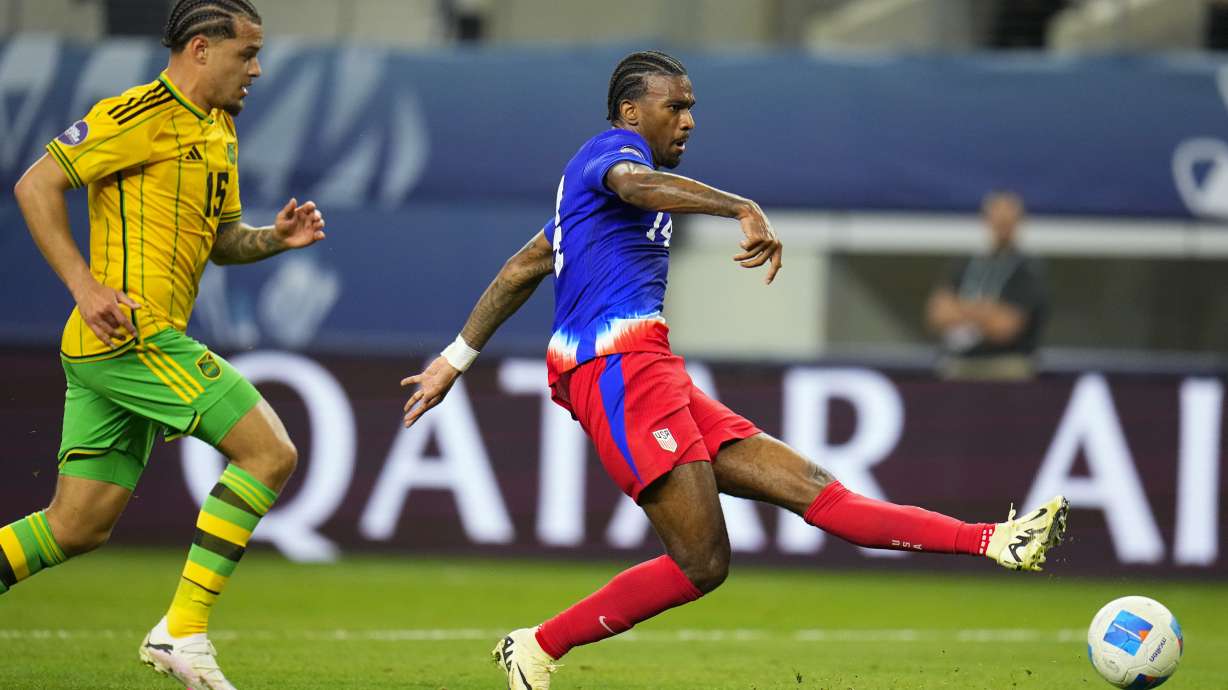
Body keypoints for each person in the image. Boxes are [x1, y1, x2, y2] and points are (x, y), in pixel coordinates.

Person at [400, 51, 1069, 689]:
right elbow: (633, 184)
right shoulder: (611, 157)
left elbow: (522, 268)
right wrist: (740, 207)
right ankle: (539, 646)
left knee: (816, 489)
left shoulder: (592, 206)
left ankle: (996, 540)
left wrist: (453, 360)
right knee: (703, 561)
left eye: (692, 107)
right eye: (675, 107)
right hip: (616, 373)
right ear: (631, 112)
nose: (688, 120)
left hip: (652, 368)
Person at [8, 2, 326, 688]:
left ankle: (177, 631)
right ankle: (181, 630)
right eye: (247, 53)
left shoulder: (219, 129)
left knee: (75, 527)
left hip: (123, 345)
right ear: (201, 49)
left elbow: (223, 242)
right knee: (270, 452)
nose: (257, 69)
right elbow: (35, 185)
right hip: (128, 333)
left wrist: (274, 239)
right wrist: (85, 287)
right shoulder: (135, 115)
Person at [925, 191, 1049, 381]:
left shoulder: (1027, 269)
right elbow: (938, 314)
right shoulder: (966, 263)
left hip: (1006, 365)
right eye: (997, 220)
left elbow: (1005, 327)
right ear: (987, 220)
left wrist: (962, 309)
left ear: (1019, 222)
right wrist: (986, 311)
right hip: (960, 363)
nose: (1001, 226)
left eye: (1007, 221)